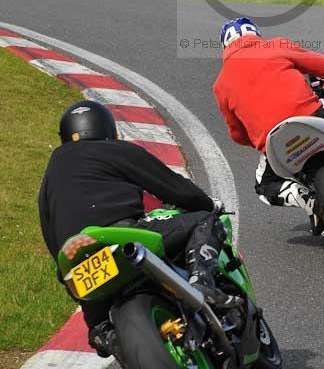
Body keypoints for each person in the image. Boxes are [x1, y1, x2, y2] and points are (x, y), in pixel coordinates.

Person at [39, 100, 236, 359]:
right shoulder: (111, 149)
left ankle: (105, 334)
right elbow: (173, 187)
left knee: (100, 328)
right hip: (122, 235)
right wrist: (209, 204)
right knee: (204, 221)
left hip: (76, 262)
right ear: (107, 129)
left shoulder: (49, 177)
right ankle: (202, 284)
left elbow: (50, 234)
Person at [214, 17, 324, 217]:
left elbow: (237, 134)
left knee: (265, 186)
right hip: (311, 116)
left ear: (225, 46)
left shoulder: (220, 85)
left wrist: (261, 139)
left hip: (274, 143)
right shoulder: (275, 45)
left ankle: (308, 200)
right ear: (254, 34)